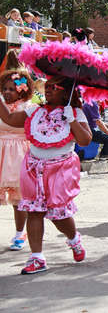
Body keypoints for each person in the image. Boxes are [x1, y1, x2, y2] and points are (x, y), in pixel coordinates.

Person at [0, 75, 93, 274]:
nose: (48, 89)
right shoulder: (36, 111)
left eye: (55, 87)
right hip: (33, 167)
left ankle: (74, 239)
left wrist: (72, 119)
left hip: (60, 169)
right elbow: (8, 118)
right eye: (48, 86)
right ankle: (37, 258)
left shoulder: (75, 112)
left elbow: (85, 141)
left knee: (59, 215)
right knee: (34, 210)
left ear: (67, 93)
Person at [0, 70, 36, 250]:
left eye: (12, 89)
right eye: (4, 88)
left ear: (22, 91)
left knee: (19, 199)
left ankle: (19, 234)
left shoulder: (28, 107)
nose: (7, 92)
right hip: (0, 154)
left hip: (19, 155)